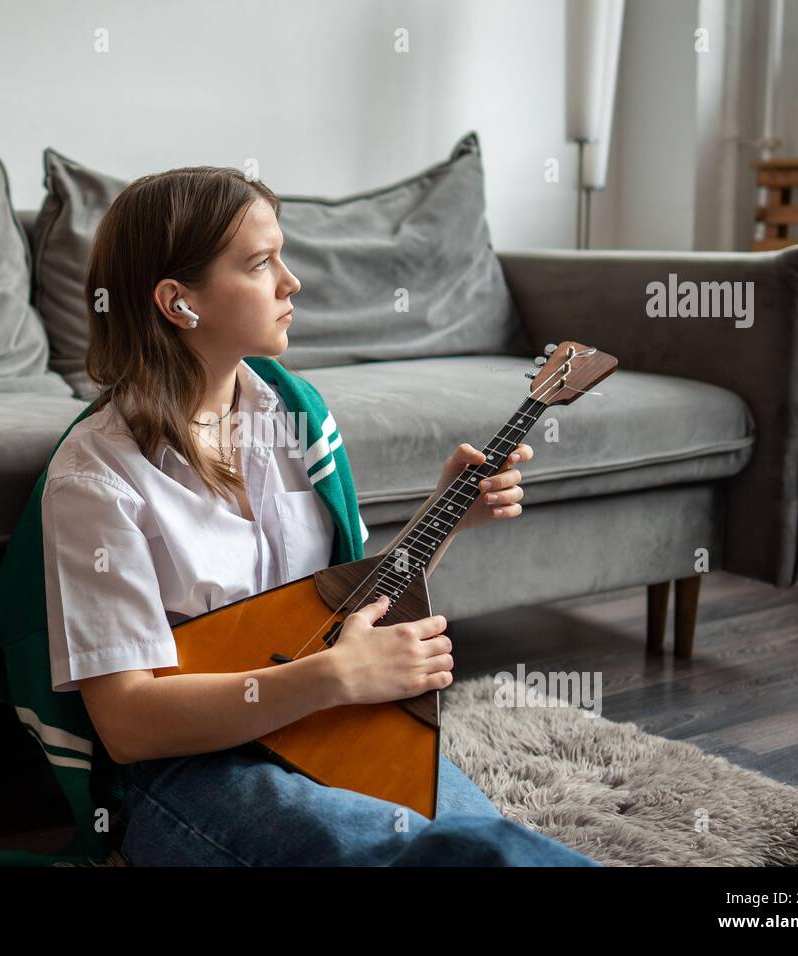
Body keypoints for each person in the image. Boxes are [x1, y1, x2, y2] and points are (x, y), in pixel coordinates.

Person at [40, 164, 601, 867]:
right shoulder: (97, 479)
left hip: (334, 722)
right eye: (260, 262)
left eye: (283, 254)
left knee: (485, 846)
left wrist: (449, 513)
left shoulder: (294, 414)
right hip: (197, 766)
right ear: (179, 303)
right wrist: (334, 679)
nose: (290, 282)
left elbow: (341, 610)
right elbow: (126, 724)